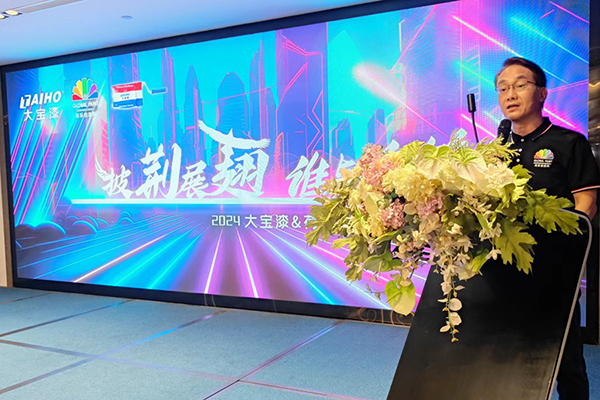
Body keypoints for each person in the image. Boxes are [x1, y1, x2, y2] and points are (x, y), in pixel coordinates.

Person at [496, 57, 600, 400]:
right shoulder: (495, 149)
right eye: (503, 88)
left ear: (542, 93)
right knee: (506, 357)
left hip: (555, 271)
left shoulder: (569, 143)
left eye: (520, 85)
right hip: (503, 271)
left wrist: (568, 259)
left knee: (565, 361)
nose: (511, 94)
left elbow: (586, 205)